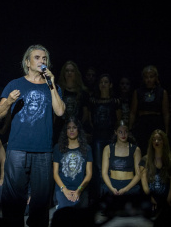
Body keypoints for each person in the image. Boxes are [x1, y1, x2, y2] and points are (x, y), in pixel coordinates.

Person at [0, 44, 65, 227]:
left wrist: (51, 84)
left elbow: (59, 112)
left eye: (44, 58)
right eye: (37, 57)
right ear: (27, 62)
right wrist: (9, 101)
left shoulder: (52, 86)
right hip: (17, 149)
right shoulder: (15, 84)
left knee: (41, 199)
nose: (42, 61)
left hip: (43, 150)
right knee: (13, 198)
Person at [88, 73, 121, 204]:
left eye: (106, 82)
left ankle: (110, 197)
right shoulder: (93, 100)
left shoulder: (115, 101)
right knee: (98, 167)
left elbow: (119, 121)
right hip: (97, 136)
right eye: (101, 82)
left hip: (111, 137)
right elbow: (90, 120)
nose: (103, 84)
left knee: (111, 166)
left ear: (110, 84)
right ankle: (98, 197)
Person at [101, 120, 141, 213]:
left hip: (129, 186)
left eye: (126, 131)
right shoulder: (108, 148)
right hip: (112, 185)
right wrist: (112, 188)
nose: (123, 134)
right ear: (115, 132)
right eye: (120, 131)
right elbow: (104, 173)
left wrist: (125, 189)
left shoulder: (135, 149)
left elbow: (138, 174)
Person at [53, 116, 92, 209]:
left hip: (80, 188)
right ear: (65, 131)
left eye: (74, 127)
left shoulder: (87, 148)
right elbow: (55, 173)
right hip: (62, 189)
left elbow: (89, 174)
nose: (71, 130)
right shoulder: (58, 147)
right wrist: (64, 190)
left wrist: (79, 190)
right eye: (69, 128)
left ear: (78, 129)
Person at [129, 65, 169, 155]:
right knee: (142, 149)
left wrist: (166, 130)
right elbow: (132, 112)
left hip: (156, 123)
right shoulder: (138, 92)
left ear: (156, 77)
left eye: (151, 77)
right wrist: (130, 128)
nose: (149, 79)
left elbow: (166, 113)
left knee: (156, 150)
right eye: (146, 77)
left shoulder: (162, 92)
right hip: (142, 124)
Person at [54, 61, 90, 144]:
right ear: (63, 73)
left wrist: (79, 128)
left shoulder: (83, 92)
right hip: (60, 130)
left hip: (77, 130)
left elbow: (85, 114)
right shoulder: (58, 90)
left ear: (76, 73)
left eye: (72, 71)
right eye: (67, 70)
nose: (69, 73)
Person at [139, 129, 171, 217]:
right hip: (151, 197)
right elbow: (144, 184)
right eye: (154, 139)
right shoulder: (145, 160)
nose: (156, 141)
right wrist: (151, 198)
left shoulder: (169, 160)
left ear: (164, 141)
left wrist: (169, 199)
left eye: (159, 139)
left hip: (166, 197)